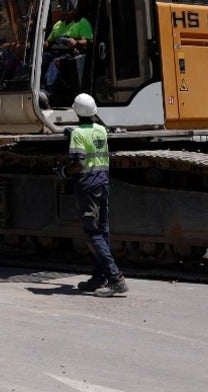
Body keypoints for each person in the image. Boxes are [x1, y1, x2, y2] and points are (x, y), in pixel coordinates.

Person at [67, 93, 126, 297]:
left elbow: (78, 163)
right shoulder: (101, 130)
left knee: (92, 233)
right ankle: (99, 277)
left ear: (76, 111)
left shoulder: (77, 134)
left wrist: (64, 172)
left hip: (87, 186)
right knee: (103, 231)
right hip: (102, 183)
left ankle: (115, 278)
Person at [43, 0, 94, 91]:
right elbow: (49, 41)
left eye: (68, 12)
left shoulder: (82, 23)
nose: (65, 14)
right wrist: (44, 43)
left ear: (75, 11)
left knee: (55, 62)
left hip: (70, 53)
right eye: (64, 12)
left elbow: (88, 41)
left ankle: (47, 90)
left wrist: (76, 42)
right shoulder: (58, 24)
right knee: (42, 58)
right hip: (55, 51)